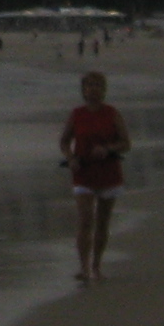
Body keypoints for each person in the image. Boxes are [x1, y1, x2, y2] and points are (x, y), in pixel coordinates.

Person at [58, 70, 132, 284]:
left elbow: (126, 143)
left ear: (104, 89)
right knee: (85, 220)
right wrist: (70, 158)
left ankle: (97, 266)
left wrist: (108, 149)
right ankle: (83, 267)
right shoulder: (77, 114)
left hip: (108, 173)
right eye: (89, 86)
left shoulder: (112, 113)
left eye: (97, 85)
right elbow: (64, 142)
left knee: (102, 222)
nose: (93, 89)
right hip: (83, 172)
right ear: (83, 90)